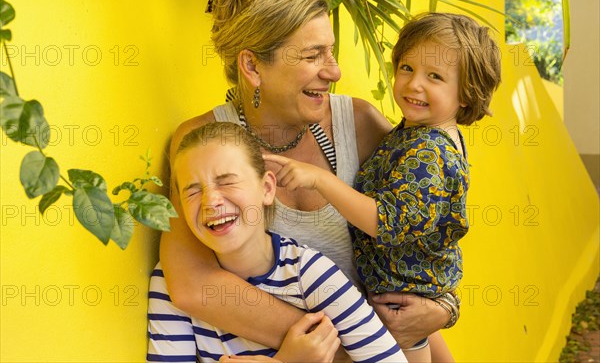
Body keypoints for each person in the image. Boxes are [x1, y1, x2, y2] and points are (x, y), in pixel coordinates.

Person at [159, 0, 452, 360]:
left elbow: (417, 239)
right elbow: (193, 285)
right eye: (313, 55)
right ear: (252, 67)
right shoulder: (202, 144)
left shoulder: (359, 125)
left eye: (330, 52)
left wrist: (444, 306)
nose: (334, 71)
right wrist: (324, 349)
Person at [264, 12, 502, 361]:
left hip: (401, 305)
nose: (413, 84)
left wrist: (321, 180)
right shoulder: (415, 133)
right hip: (396, 294)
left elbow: (385, 221)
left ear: (466, 94)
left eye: (434, 76)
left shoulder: (429, 151)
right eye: (407, 68)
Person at [147, 122, 408, 362]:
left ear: (267, 189)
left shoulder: (310, 274)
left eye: (227, 181)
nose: (210, 200)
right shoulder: (167, 281)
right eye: (192, 190)